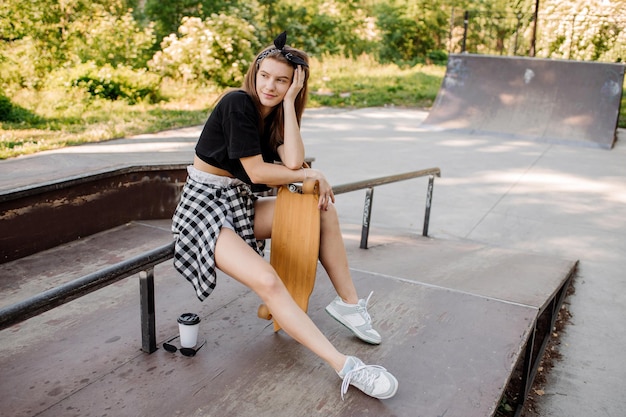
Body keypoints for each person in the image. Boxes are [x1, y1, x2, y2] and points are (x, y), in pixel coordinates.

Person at [171, 31, 398, 400]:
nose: (270, 86)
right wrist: (310, 173)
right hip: (203, 209)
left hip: (238, 206)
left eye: (282, 80)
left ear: (294, 83)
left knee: (318, 210)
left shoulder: (274, 116)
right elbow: (261, 173)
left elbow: (291, 160)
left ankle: (349, 305)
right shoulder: (237, 104)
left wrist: (290, 104)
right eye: (265, 76)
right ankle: (347, 367)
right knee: (268, 280)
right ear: (254, 73)